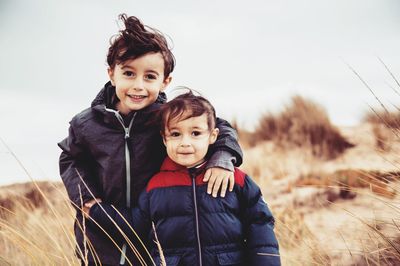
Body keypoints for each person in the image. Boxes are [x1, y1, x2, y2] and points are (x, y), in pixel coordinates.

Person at [58, 15, 242, 266]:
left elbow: (219, 127)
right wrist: (86, 199)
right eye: (129, 73)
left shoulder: (167, 117)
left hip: (154, 235)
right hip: (99, 235)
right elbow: (70, 157)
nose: (138, 86)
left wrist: (221, 158)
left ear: (165, 81)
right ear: (112, 74)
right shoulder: (86, 123)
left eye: (150, 76)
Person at [89, 91, 281, 266]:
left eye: (195, 133)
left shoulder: (235, 179)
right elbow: (135, 224)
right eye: (175, 134)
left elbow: (260, 223)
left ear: (212, 136)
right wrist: (97, 212)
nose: (185, 143)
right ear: (164, 139)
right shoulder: (156, 186)